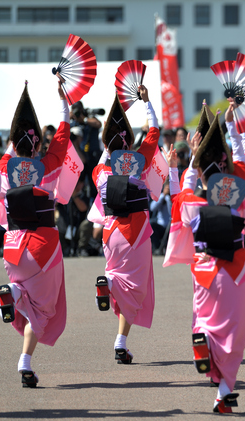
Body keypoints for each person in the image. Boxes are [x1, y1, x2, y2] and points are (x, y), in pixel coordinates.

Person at [164, 99, 245, 413]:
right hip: (235, 266)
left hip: (202, 267)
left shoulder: (189, 198)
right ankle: (223, 394)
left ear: (200, 168)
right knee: (234, 333)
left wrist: (184, 164)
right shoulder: (240, 187)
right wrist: (232, 123)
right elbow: (243, 159)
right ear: (224, 163)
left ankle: (201, 337)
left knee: (204, 319)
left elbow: (179, 192)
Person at [0, 76, 71, 388]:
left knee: (27, 296)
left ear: (12, 141)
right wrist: (64, 105)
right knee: (44, 309)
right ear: (38, 143)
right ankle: (25, 361)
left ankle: (12, 293)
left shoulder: (3, 167)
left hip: (12, 247)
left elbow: (8, 157)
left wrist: (16, 138)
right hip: (43, 247)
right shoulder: (50, 165)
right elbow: (63, 139)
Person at [92, 85, 160, 364]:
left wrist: (109, 147)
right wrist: (147, 102)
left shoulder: (100, 172)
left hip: (110, 232)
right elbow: (154, 131)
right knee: (137, 289)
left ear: (107, 143)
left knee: (121, 280)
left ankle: (121, 343)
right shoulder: (141, 162)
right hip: (136, 232)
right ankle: (120, 340)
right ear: (130, 142)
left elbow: (102, 159)